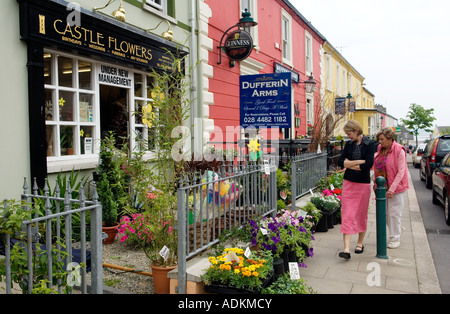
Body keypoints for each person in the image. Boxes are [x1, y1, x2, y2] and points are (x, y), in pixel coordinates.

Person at [337, 120, 375, 260]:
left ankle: (360, 243)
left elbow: (369, 165)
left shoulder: (370, 144)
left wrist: (349, 164)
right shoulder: (348, 145)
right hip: (349, 183)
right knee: (347, 214)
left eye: (349, 133)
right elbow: (341, 163)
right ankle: (346, 250)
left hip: (363, 184)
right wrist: (359, 162)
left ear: (356, 130)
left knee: (360, 214)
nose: (348, 136)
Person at [374, 127, 409, 249]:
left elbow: (401, 172)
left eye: (382, 139)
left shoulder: (399, 150)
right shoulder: (380, 149)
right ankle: (397, 228)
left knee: (394, 214)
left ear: (390, 138)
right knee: (385, 214)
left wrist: (392, 189)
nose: (380, 142)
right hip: (382, 187)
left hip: (396, 187)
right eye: (379, 139)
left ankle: (395, 238)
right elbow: (377, 165)